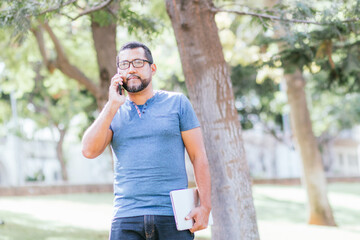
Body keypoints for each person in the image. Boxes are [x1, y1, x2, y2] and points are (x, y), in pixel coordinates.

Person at [82, 41, 211, 240]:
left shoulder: (178, 103)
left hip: (173, 216)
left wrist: (205, 206)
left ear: (152, 68)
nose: (131, 69)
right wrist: (112, 104)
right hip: (126, 216)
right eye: (124, 65)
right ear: (118, 73)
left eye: (138, 62)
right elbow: (88, 151)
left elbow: (198, 156)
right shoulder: (113, 112)